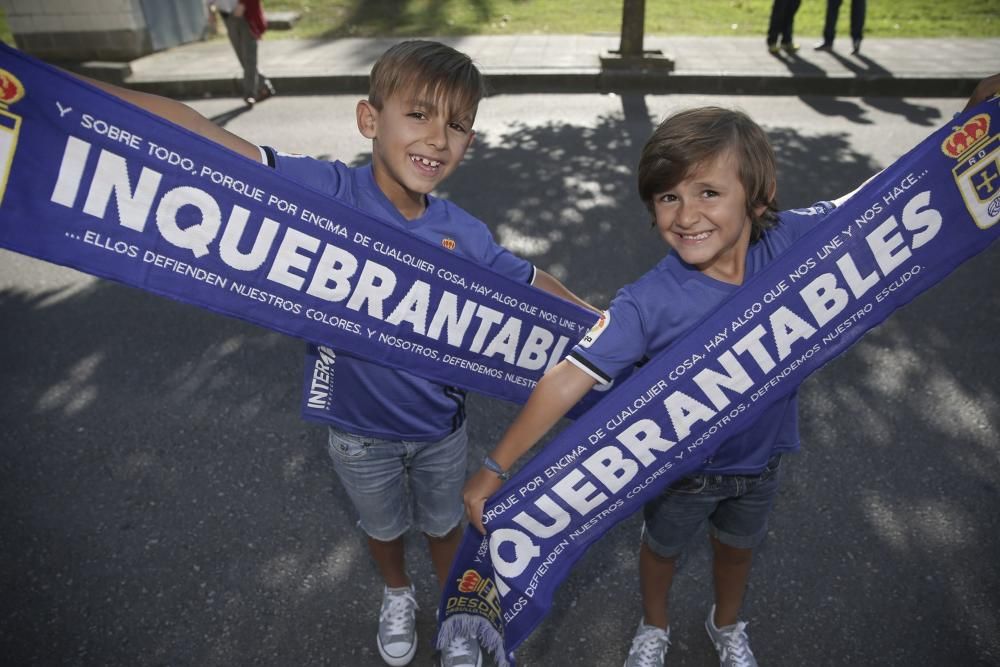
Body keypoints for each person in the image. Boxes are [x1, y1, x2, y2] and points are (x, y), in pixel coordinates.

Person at [81, 40, 594, 667]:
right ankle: (396, 593)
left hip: (440, 430)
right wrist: (80, 95)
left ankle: (457, 612)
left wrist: (601, 327)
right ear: (369, 119)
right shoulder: (325, 191)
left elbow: (531, 285)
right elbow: (205, 140)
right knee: (382, 530)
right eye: (420, 114)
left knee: (444, 528)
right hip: (355, 434)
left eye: (458, 124)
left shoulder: (465, 232)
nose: (438, 137)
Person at [463, 76, 1000, 667]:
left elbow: (882, 202)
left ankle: (727, 625)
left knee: (738, 550)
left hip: (761, 461)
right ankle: (654, 627)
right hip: (677, 472)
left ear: (759, 198)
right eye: (668, 197)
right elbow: (569, 376)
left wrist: (970, 125)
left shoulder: (796, 243)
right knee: (661, 551)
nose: (686, 214)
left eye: (708, 193)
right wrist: (494, 469)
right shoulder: (647, 301)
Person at [208, 0, 275, 106]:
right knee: (243, 58)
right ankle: (263, 85)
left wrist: (243, 4)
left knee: (249, 57)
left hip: (245, 13)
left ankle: (250, 94)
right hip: (227, 15)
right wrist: (211, 10)